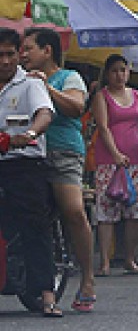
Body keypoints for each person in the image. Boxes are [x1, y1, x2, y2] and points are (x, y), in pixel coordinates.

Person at [21, 28, 95, 312]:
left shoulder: (69, 78)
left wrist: (47, 88)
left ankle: (88, 278)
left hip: (63, 152)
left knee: (74, 211)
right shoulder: (20, 79)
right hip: (27, 153)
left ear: (47, 50)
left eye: (29, 49)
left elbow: (76, 107)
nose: (24, 55)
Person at [0, 29, 59, 316]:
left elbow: (45, 113)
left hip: (25, 164)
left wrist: (32, 132)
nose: (5, 61)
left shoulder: (30, 84)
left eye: (10, 54)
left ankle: (47, 294)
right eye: (0, 55)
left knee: (35, 229)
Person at [91, 54, 138, 277]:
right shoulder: (102, 97)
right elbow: (103, 127)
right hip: (109, 161)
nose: (119, 75)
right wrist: (115, 153)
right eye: (115, 70)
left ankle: (130, 258)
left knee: (135, 211)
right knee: (107, 211)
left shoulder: (137, 96)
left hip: (135, 160)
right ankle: (105, 260)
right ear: (107, 73)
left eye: (123, 70)